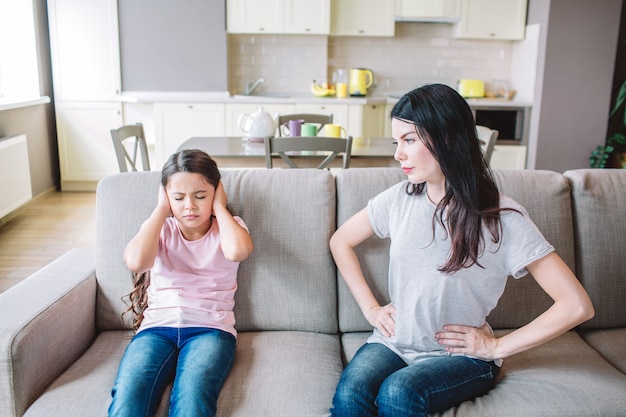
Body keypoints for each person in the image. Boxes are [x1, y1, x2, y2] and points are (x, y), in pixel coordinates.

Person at [329, 84, 594, 417]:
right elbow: (340, 240)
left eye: (409, 140)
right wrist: (371, 309)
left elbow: (577, 306)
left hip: (461, 359)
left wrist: (496, 346)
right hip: (393, 344)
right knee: (351, 397)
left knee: (398, 392)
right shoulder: (399, 199)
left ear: (448, 139)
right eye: (397, 142)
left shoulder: (502, 218)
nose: (399, 154)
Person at [109, 149, 254, 417]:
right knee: (128, 398)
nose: (190, 206)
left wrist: (220, 207)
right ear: (167, 196)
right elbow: (135, 262)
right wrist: (161, 209)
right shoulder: (161, 229)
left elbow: (237, 252)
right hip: (157, 329)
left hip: (210, 331)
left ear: (216, 192)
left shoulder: (229, 227)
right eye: (178, 197)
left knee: (192, 399)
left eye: (200, 196)